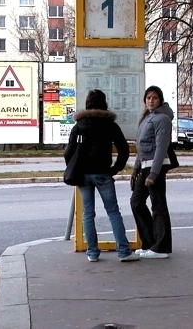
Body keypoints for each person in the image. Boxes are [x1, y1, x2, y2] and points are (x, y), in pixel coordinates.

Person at [64, 89, 139, 262]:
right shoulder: (110, 125)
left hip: (83, 175)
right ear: (104, 103)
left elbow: (68, 152)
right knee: (113, 211)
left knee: (88, 214)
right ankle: (124, 251)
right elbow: (123, 149)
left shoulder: (79, 126)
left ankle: (92, 253)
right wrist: (116, 168)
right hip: (103, 173)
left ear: (87, 104)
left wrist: (74, 168)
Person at [130, 85, 174, 259]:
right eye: (148, 97)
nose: (151, 100)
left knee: (158, 205)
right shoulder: (148, 117)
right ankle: (150, 243)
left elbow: (161, 148)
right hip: (144, 166)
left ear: (160, 100)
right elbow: (141, 148)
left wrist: (153, 174)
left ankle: (161, 247)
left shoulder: (162, 118)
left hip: (155, 167)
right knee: (137, 202)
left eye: (155, 98)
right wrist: (135, 169)